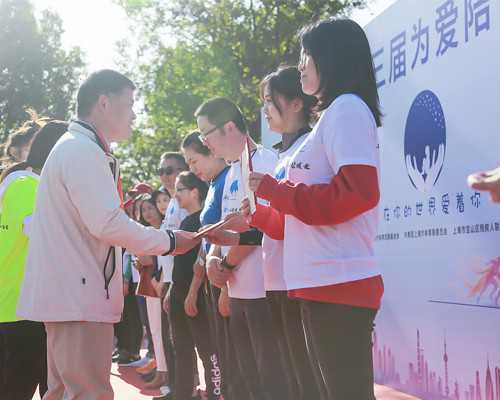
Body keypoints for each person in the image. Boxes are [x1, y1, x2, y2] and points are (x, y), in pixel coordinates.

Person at [16, 69, 199, 400]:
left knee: (65, 391)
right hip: (78, 298)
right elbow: (108, 224)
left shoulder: (77, 148)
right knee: (87, 393)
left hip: (72, 296)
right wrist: (170, 241)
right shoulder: (81, 151)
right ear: (103, 103)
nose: (134, 114)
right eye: (129, 104)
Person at [245, 19, 384, 400]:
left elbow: (357, 194)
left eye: (306, 54)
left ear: (331, 57)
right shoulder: (334, 114)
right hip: (320, 282)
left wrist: (279, 192)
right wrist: (260, 212)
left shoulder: (347, 109)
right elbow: (294, 223)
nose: (301, 65)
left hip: (339, 281)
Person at [196, 97, 290, 400]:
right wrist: (214, 258)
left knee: (273, 384)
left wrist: (225, 266)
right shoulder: (232, 170)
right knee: (248, 382)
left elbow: (260, 228)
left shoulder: (264, 162)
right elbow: (225, 226)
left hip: (264, 292)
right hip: (238, 293)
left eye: (206, 134)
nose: (205, 143)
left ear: (229, 127)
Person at [0, 120, 68, 400]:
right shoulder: (27, 185)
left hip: (19, 307)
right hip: (24, 308)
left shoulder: (17, 183)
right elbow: (46, 236)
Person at [167, 171, 221, 400]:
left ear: (195, 192)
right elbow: (180, 264)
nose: (175, 195)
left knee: (207, 350)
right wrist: (172, 291)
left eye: (180, 189)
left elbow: (201, 261)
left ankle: (215, 393)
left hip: (198, 296)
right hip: (179, 294)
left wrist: (192, 292)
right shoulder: (185, 221)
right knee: (182, 349)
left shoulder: (203, 220)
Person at [135, 195, 170, 389]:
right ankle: (161, 370)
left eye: (150, 207)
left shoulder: (166, 227)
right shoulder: (146, 232)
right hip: (150, 284)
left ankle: (166, 372)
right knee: (155, 330)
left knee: (163, 331)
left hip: (161, 284)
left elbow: (159, 260)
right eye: (144, 210)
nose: (147, 213)